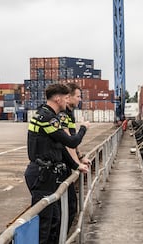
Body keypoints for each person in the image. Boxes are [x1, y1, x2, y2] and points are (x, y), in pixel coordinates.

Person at [24, 83, 89, 244]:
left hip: (47, 174)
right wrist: (83, 128)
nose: (67, 101)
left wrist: (76, 165)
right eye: (66, 98)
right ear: (58, 98)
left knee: (54, 220)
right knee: (45, 224)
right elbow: (70, 142)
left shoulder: (47, 115)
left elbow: (60, 147)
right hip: (42, 174)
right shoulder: (47, 118)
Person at [59, 82, 91, 231]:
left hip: (64, 165)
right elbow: (69, 142)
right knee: (66, 209)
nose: (80, 99)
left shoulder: (69, 115)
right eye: (78, 96)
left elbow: (71, 143)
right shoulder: (63, 115)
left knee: (71, 206)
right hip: (55, 168)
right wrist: (77, 165)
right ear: (68, 97)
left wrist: (80, 157)